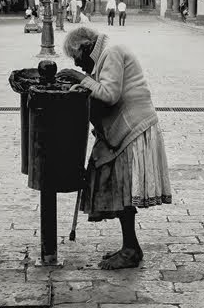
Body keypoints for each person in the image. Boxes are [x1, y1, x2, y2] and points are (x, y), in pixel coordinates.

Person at [56, 27, 172, 270]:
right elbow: (101, 87)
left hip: (132, 128)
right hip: (122, 130)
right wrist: (85, 85)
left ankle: (130, 249)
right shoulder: (105, 54)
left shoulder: (111, 52)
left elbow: (109, 94)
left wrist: (81, 80)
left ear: (86, 48)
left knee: (122, 188)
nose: (79, 66)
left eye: (77, 59)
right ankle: (131, 246)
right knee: (118, 186)